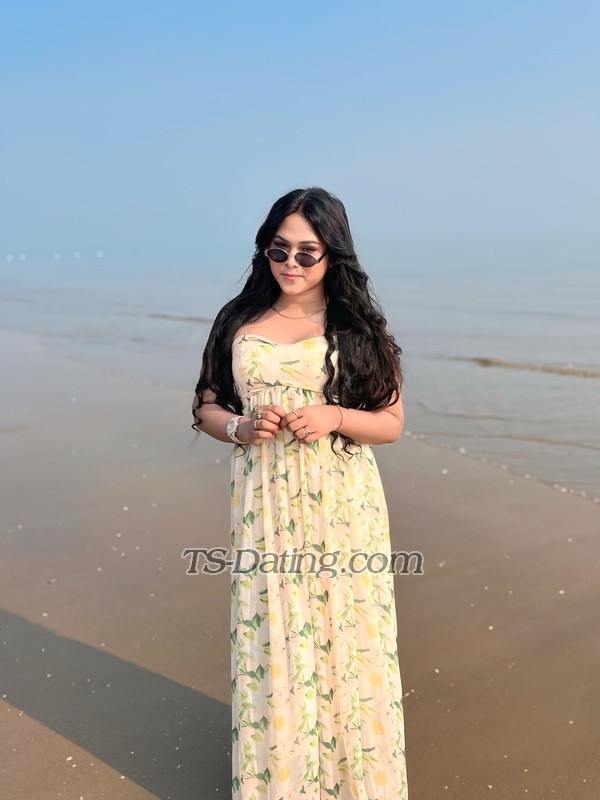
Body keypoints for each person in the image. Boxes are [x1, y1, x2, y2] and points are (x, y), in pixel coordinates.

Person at [191, 187, 408, 799]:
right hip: (264, 504)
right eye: (278, 249)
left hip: (341, 504)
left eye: (307, 252)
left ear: (333, 254)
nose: (291, 263)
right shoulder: (237, 320)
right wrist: (240, 428)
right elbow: (207, 406)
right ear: (263, 251)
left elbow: (390, 424)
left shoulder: (358, 327)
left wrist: (334, 416)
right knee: (276, 634)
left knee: (347, 635)